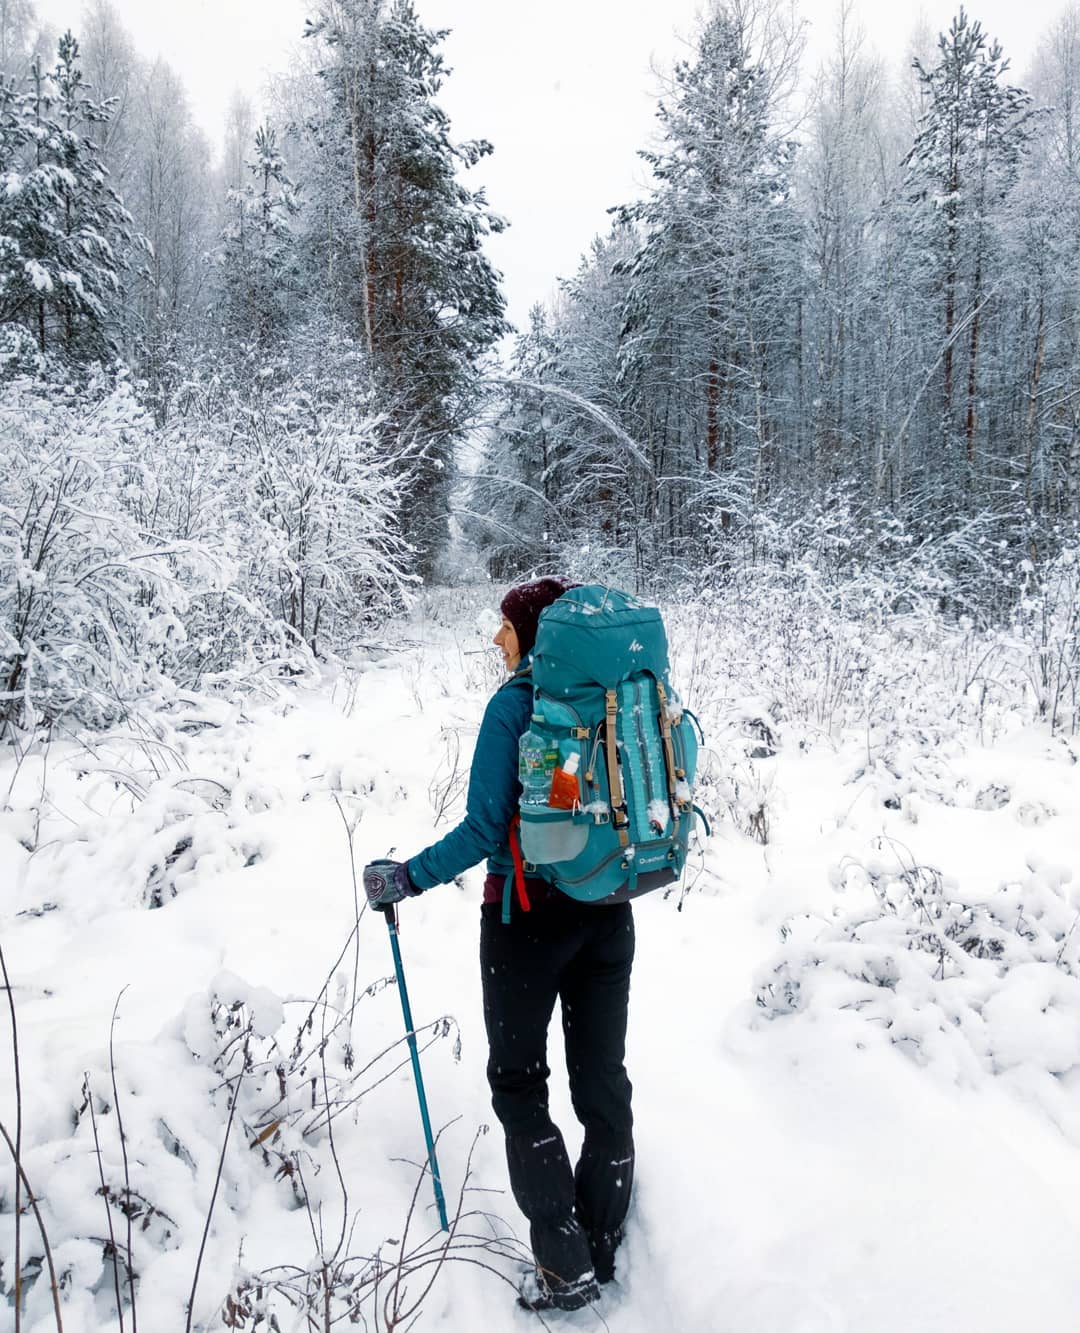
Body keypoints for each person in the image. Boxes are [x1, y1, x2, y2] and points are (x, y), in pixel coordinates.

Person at [363, 577, 635, 1314]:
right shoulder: (608, 701)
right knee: (601, 1078)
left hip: (525, 920)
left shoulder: (513, 708)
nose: (496, 638)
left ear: (533, 633)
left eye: (506, 626)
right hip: (608, 913)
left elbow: (484, 830)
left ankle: (562, 1265)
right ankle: (603, 1242)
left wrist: (407, 878)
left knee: (520, 1083)